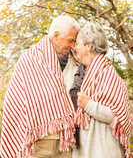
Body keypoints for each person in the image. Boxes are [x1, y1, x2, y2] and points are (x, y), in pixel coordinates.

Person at [0, 14, 80, 158]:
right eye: (71, 40)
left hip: (64, 138)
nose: (73, 45)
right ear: (55, 36)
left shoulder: (72, 61)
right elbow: (16, 98)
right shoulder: (31, 58)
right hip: (40, 140)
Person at [64, 21, 131, 158]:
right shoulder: (85, 74)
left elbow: (116, 115)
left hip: (103, 152)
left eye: (77, 43)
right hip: (87, 151)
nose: (75, 47)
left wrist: (89, 105)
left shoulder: (107, 74)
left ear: (88, 46)